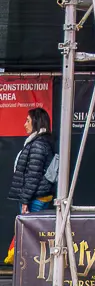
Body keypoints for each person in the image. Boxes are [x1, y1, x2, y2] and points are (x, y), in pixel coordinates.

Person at [5, 106, 56, 268]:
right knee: (33, 238)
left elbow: (33, 176)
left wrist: (25, 201)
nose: (24, 124)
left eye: (27, 120)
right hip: (34, 197)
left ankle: (33, 274)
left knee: (32, 239)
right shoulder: (38, 142)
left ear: (36, 122)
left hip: (34, 199)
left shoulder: (38, 144)